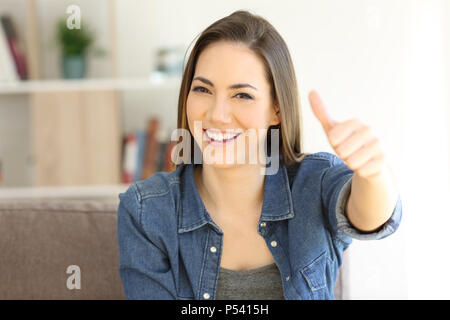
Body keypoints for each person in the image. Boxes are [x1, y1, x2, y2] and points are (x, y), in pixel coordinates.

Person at [117, 10, 402, 300]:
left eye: (242, 95)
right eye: (203, 89)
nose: (217, 115)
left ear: (276, 109)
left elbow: (371, 218)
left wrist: (374, 174)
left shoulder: (314, 184)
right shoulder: (147, 211)